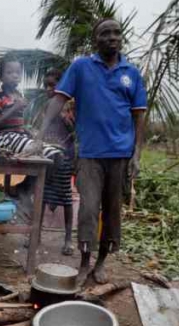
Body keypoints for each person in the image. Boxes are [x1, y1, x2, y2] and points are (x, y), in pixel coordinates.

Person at [38, 18, 146, 286]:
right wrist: (38, 135)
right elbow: (58, 99)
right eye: (104, 33)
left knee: (112, 212)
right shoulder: (81, 67)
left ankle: (101, 263)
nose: (111, 37)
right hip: (89, 155)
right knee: (87, 210)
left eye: (116, 33)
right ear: (95, 40)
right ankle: (85, 261)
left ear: (121, 38)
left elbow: (139, 117)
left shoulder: (131, 73)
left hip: (120, 155)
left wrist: (137, 155)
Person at [41, 69, 76, 256]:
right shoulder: (47, 105)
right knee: (41, 195)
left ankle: (68, 239)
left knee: (65, 198)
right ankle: (35, 235)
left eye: (52, 85)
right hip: (48, 155)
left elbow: (74, 129)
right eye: (46, 85)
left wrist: (63, 117)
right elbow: (43, 128)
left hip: (65, 156)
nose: (48, 89)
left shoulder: (69, 105)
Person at [0, 54, 38, 155]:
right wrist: (15, 108)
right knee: (36, 149)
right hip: (2, 138)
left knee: (43, 146)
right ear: (1, 77)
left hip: (17, 136)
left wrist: (26, 131)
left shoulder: (19, 95)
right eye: (9, 72)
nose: (15, 75)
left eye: (18, 72)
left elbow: (16, 124)